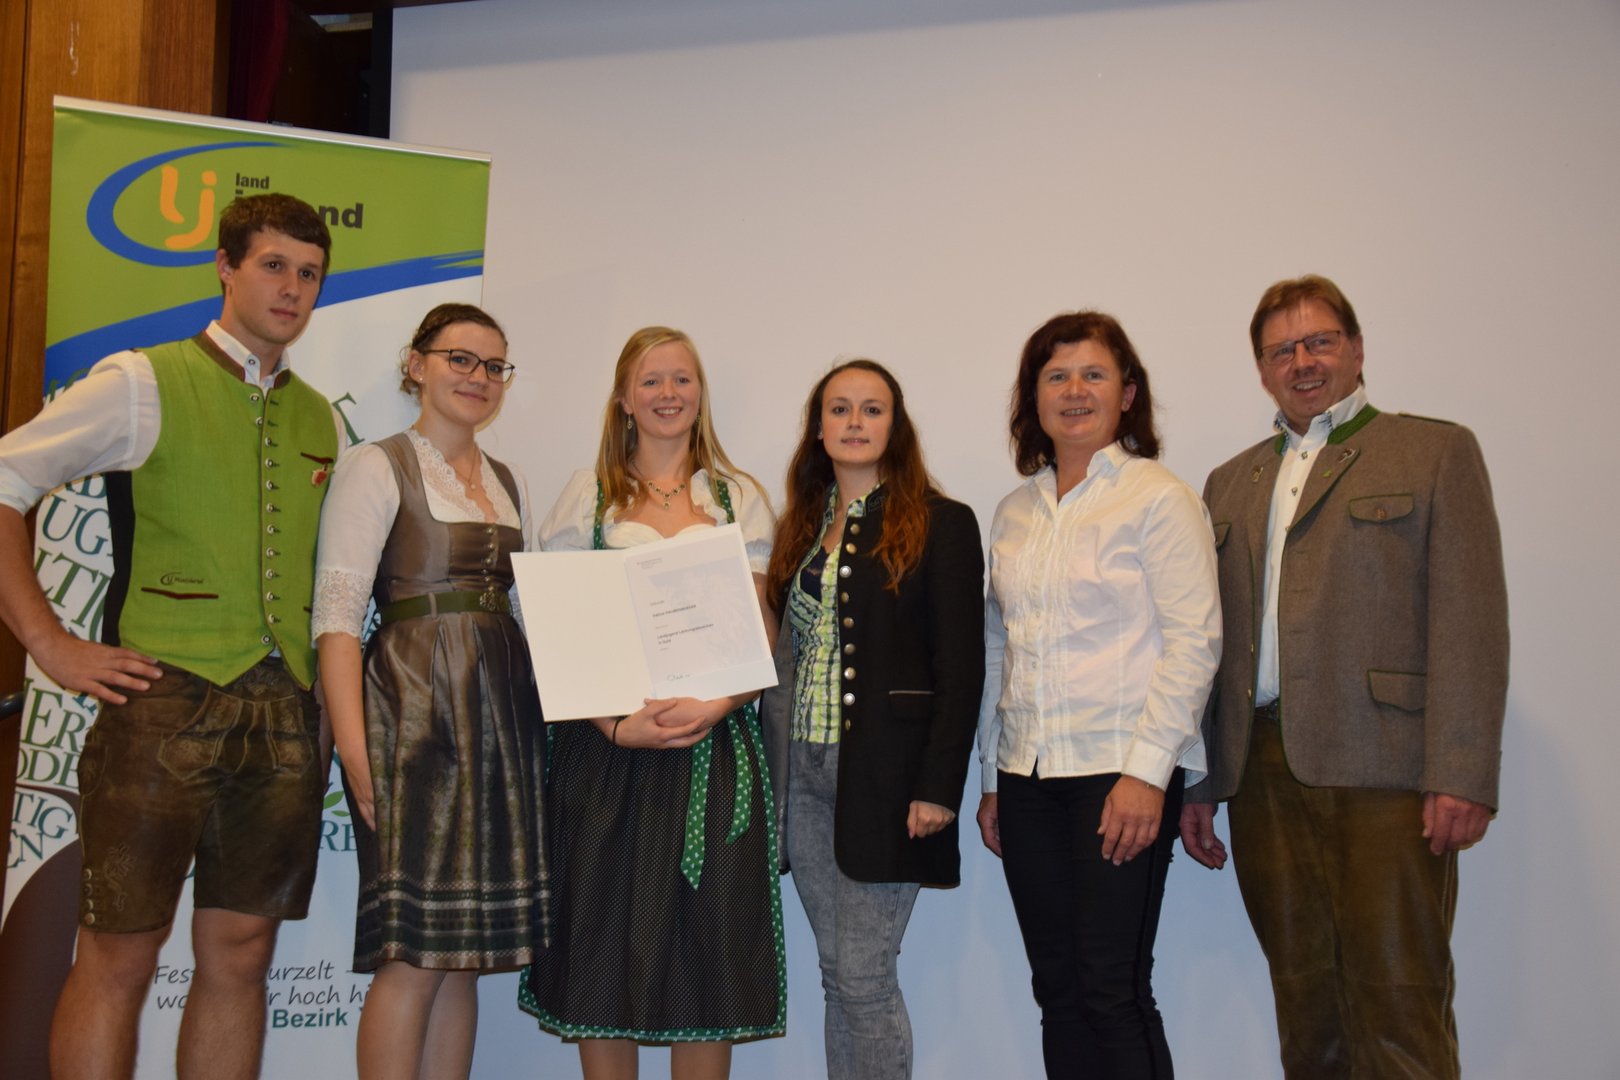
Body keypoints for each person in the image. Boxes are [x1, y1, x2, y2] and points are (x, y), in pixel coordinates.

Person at [0, 193, 340, 1079]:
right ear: (225, 268)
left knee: (242, 956)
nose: (292, 287)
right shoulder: (142, 380)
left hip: (281, 713)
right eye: (273, 265)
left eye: (309, 273)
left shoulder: (320, 417)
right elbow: (5, 478)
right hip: (161, 700)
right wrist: (50, 645)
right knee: (119, 953)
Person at [1179, 274, 1508, 1079]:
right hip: (1261, 773)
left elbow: (1471, 621)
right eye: (1281, 351)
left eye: (1319, 341)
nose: (1302, 361)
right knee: (1307, 1014)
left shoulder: (1433, 452)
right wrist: (1200, 782)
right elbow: (1209, 643)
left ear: (1356, 349)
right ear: (1263, 371)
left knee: (1400, 1005)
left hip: (1387, 771)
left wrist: (1461, 772)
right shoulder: (1229, 481)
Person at [519, 326, 785, 1079]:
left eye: (682, 379)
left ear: (700, 394)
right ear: (624, 398)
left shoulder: (738, 498)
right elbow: (557, 629)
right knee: (602, 947)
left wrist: (719, 705)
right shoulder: (588, 496)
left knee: (707, 956)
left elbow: (761, 631)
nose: (669, 393)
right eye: (651, 380)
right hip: (605, 750)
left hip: (715, 750)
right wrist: (614, 724)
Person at [976, 311, 1220, 1079]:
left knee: (1113, 991)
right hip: (1027, 778)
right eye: (1056, 376)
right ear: (1034, 397)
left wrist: (1149, 775)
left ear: (1128, 394)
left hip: (1120, 774)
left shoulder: (1158, 498)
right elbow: (999, 648)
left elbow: (1194, 642)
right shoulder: (1014, 512)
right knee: (1059, 991)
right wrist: (991, 780)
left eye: (1093, 374)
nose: (1074, 390)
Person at [311, 303, 548, 1079]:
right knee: (412, 956)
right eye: (460, 359)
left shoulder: (510, 480)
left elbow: (530, 615)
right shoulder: (376, 465)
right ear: (417, 365)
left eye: (493, 366)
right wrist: (355, 754)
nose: (478, 377)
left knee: (462, 958)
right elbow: (337, 620)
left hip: (501, 721)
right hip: (411, 716)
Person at [760, 359, 984, 1080]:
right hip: (803, 773)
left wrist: (938, 787)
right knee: (837, 975)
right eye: (839, 408)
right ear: (818, 428)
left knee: (864, 978)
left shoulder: (943, 523)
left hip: (887, 783)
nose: (854, 422)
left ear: (896, 426)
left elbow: (961, 668)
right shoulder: (801, 527)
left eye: (872, 409)